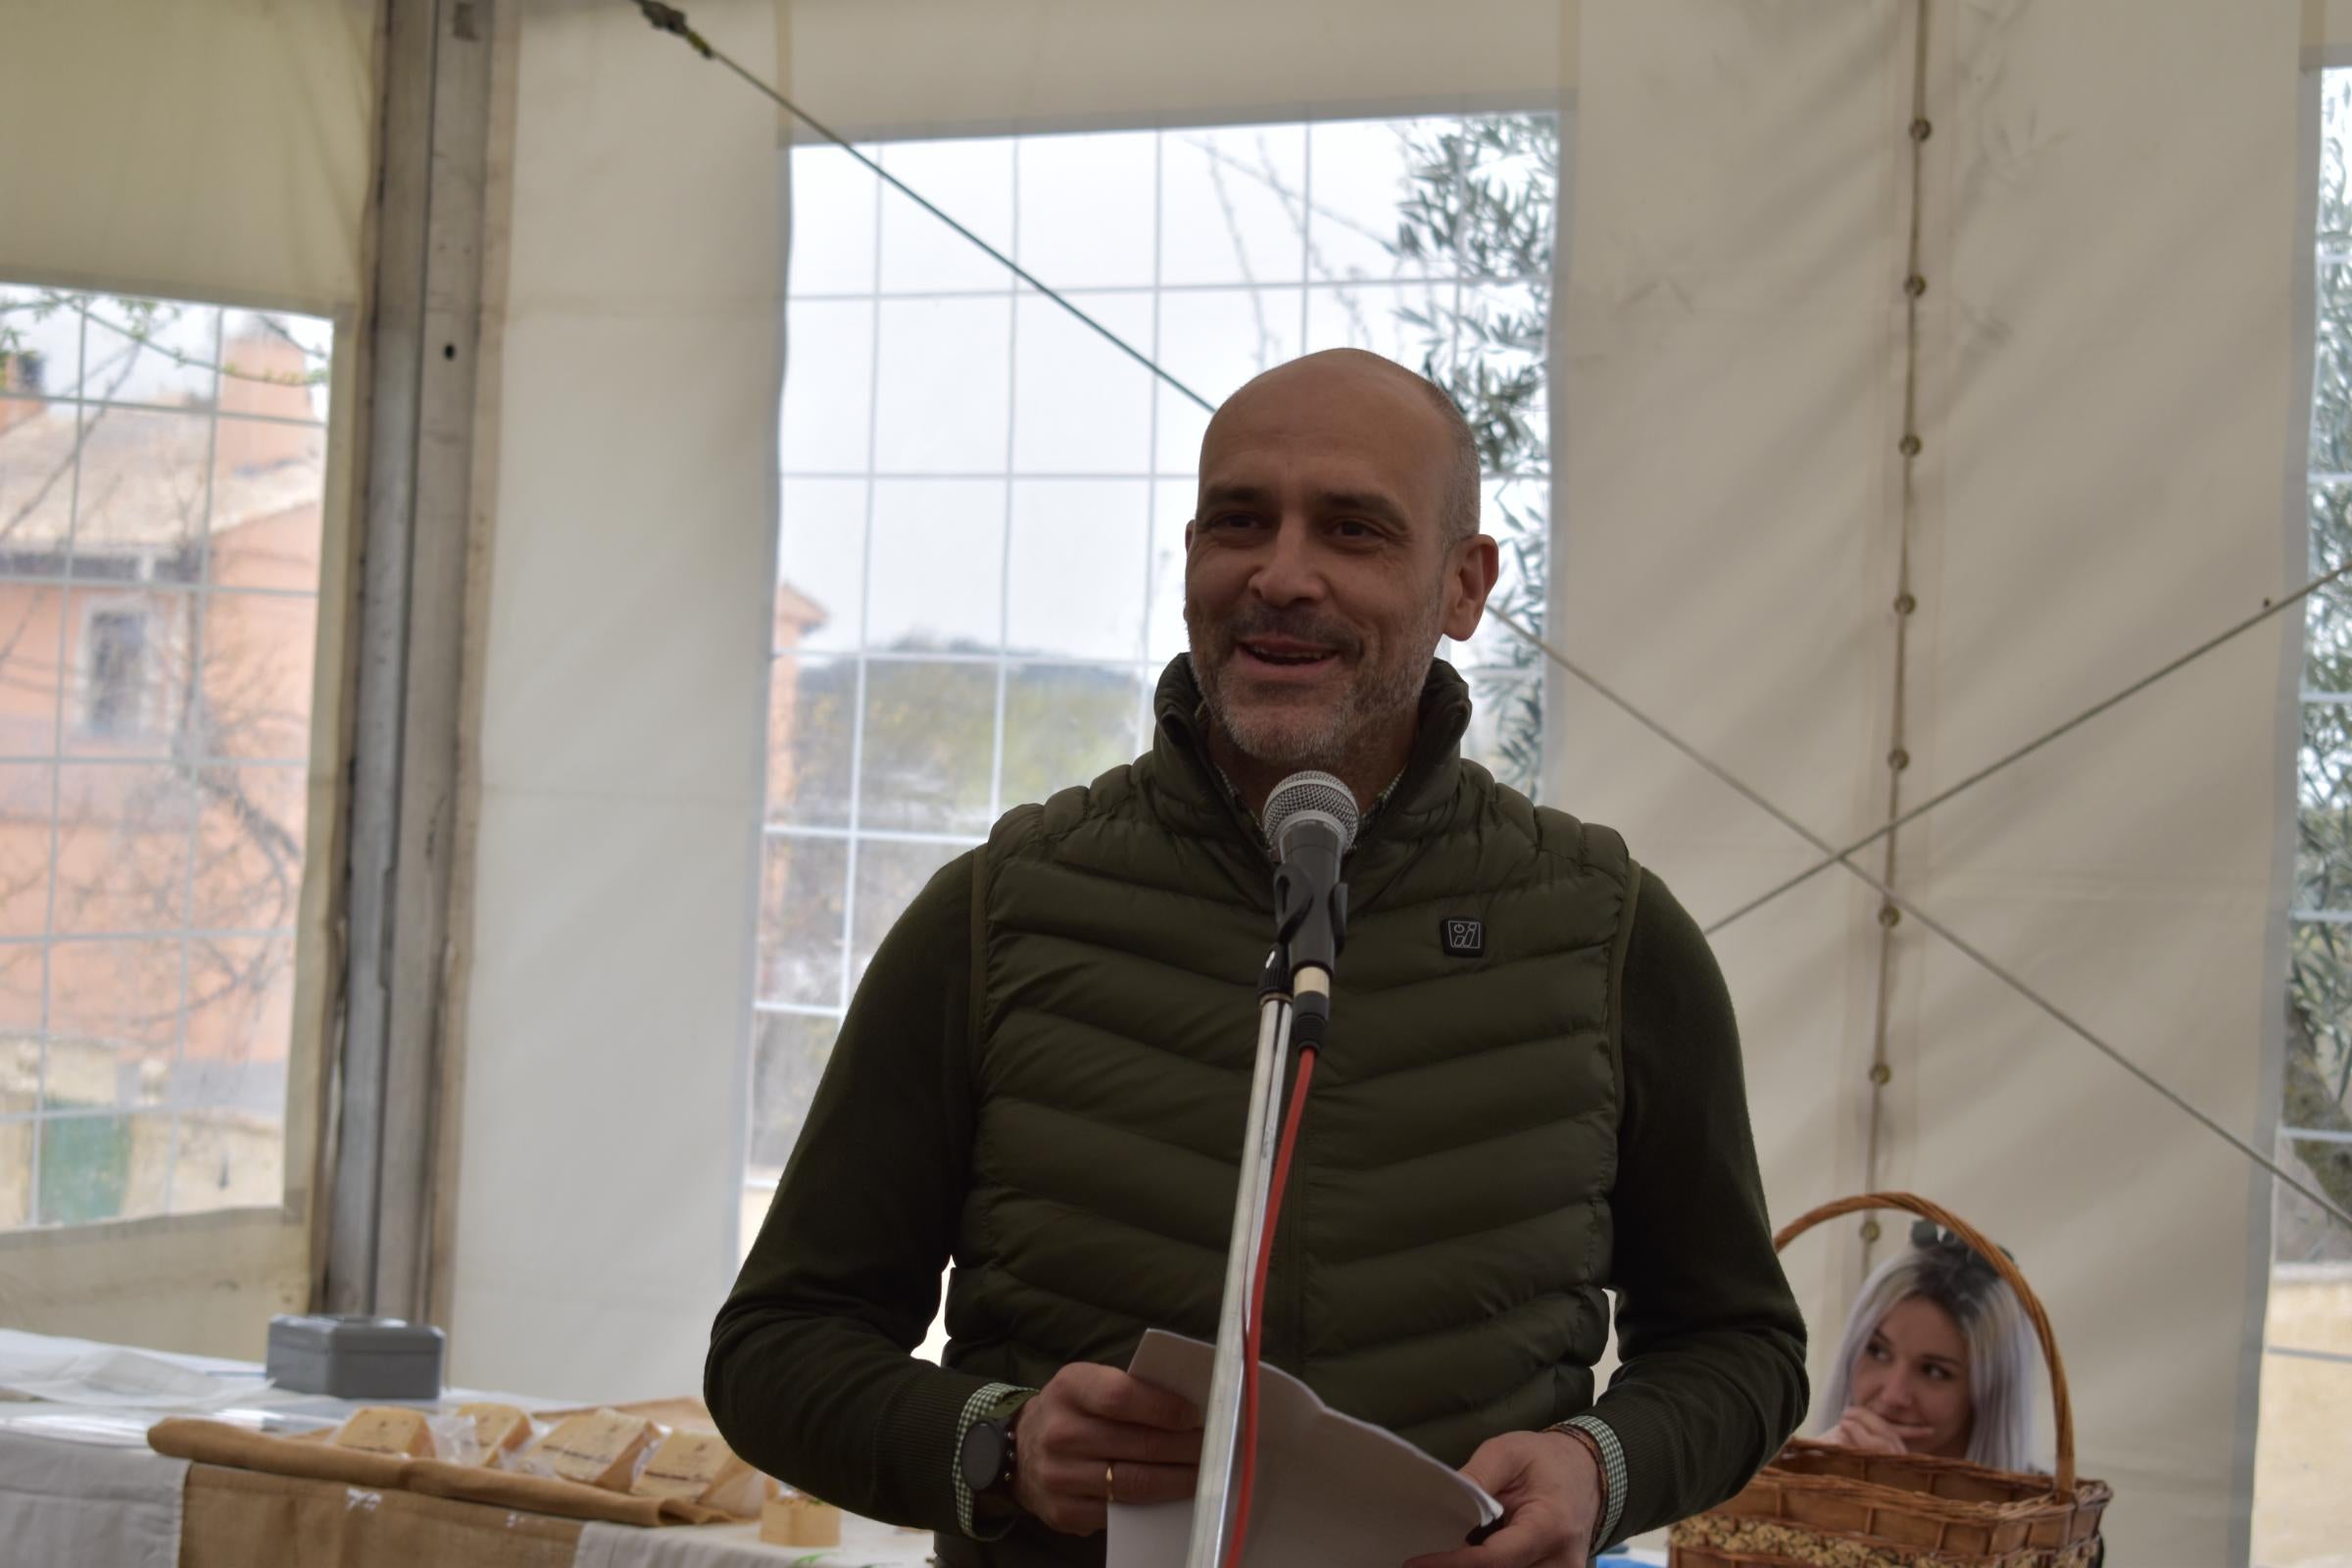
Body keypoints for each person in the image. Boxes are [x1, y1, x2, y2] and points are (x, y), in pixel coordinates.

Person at [708, 348, 1809, 1567]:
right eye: (1240, 520)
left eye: (1353, 530)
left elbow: (1741, 1347)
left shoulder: (1608, 933)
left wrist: (1600, 1467)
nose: (1283, 576)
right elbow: (776, 1347)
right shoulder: (1001, 913)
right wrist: (995, 1447)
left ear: (1464, 584)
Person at [1818, 1222, 2043, 1471]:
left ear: (1990, 1392)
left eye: (1934, 1371)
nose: (1893, 1395)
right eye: (1878, 1352)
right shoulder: (1796, 1482)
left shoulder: (2042, 1507)